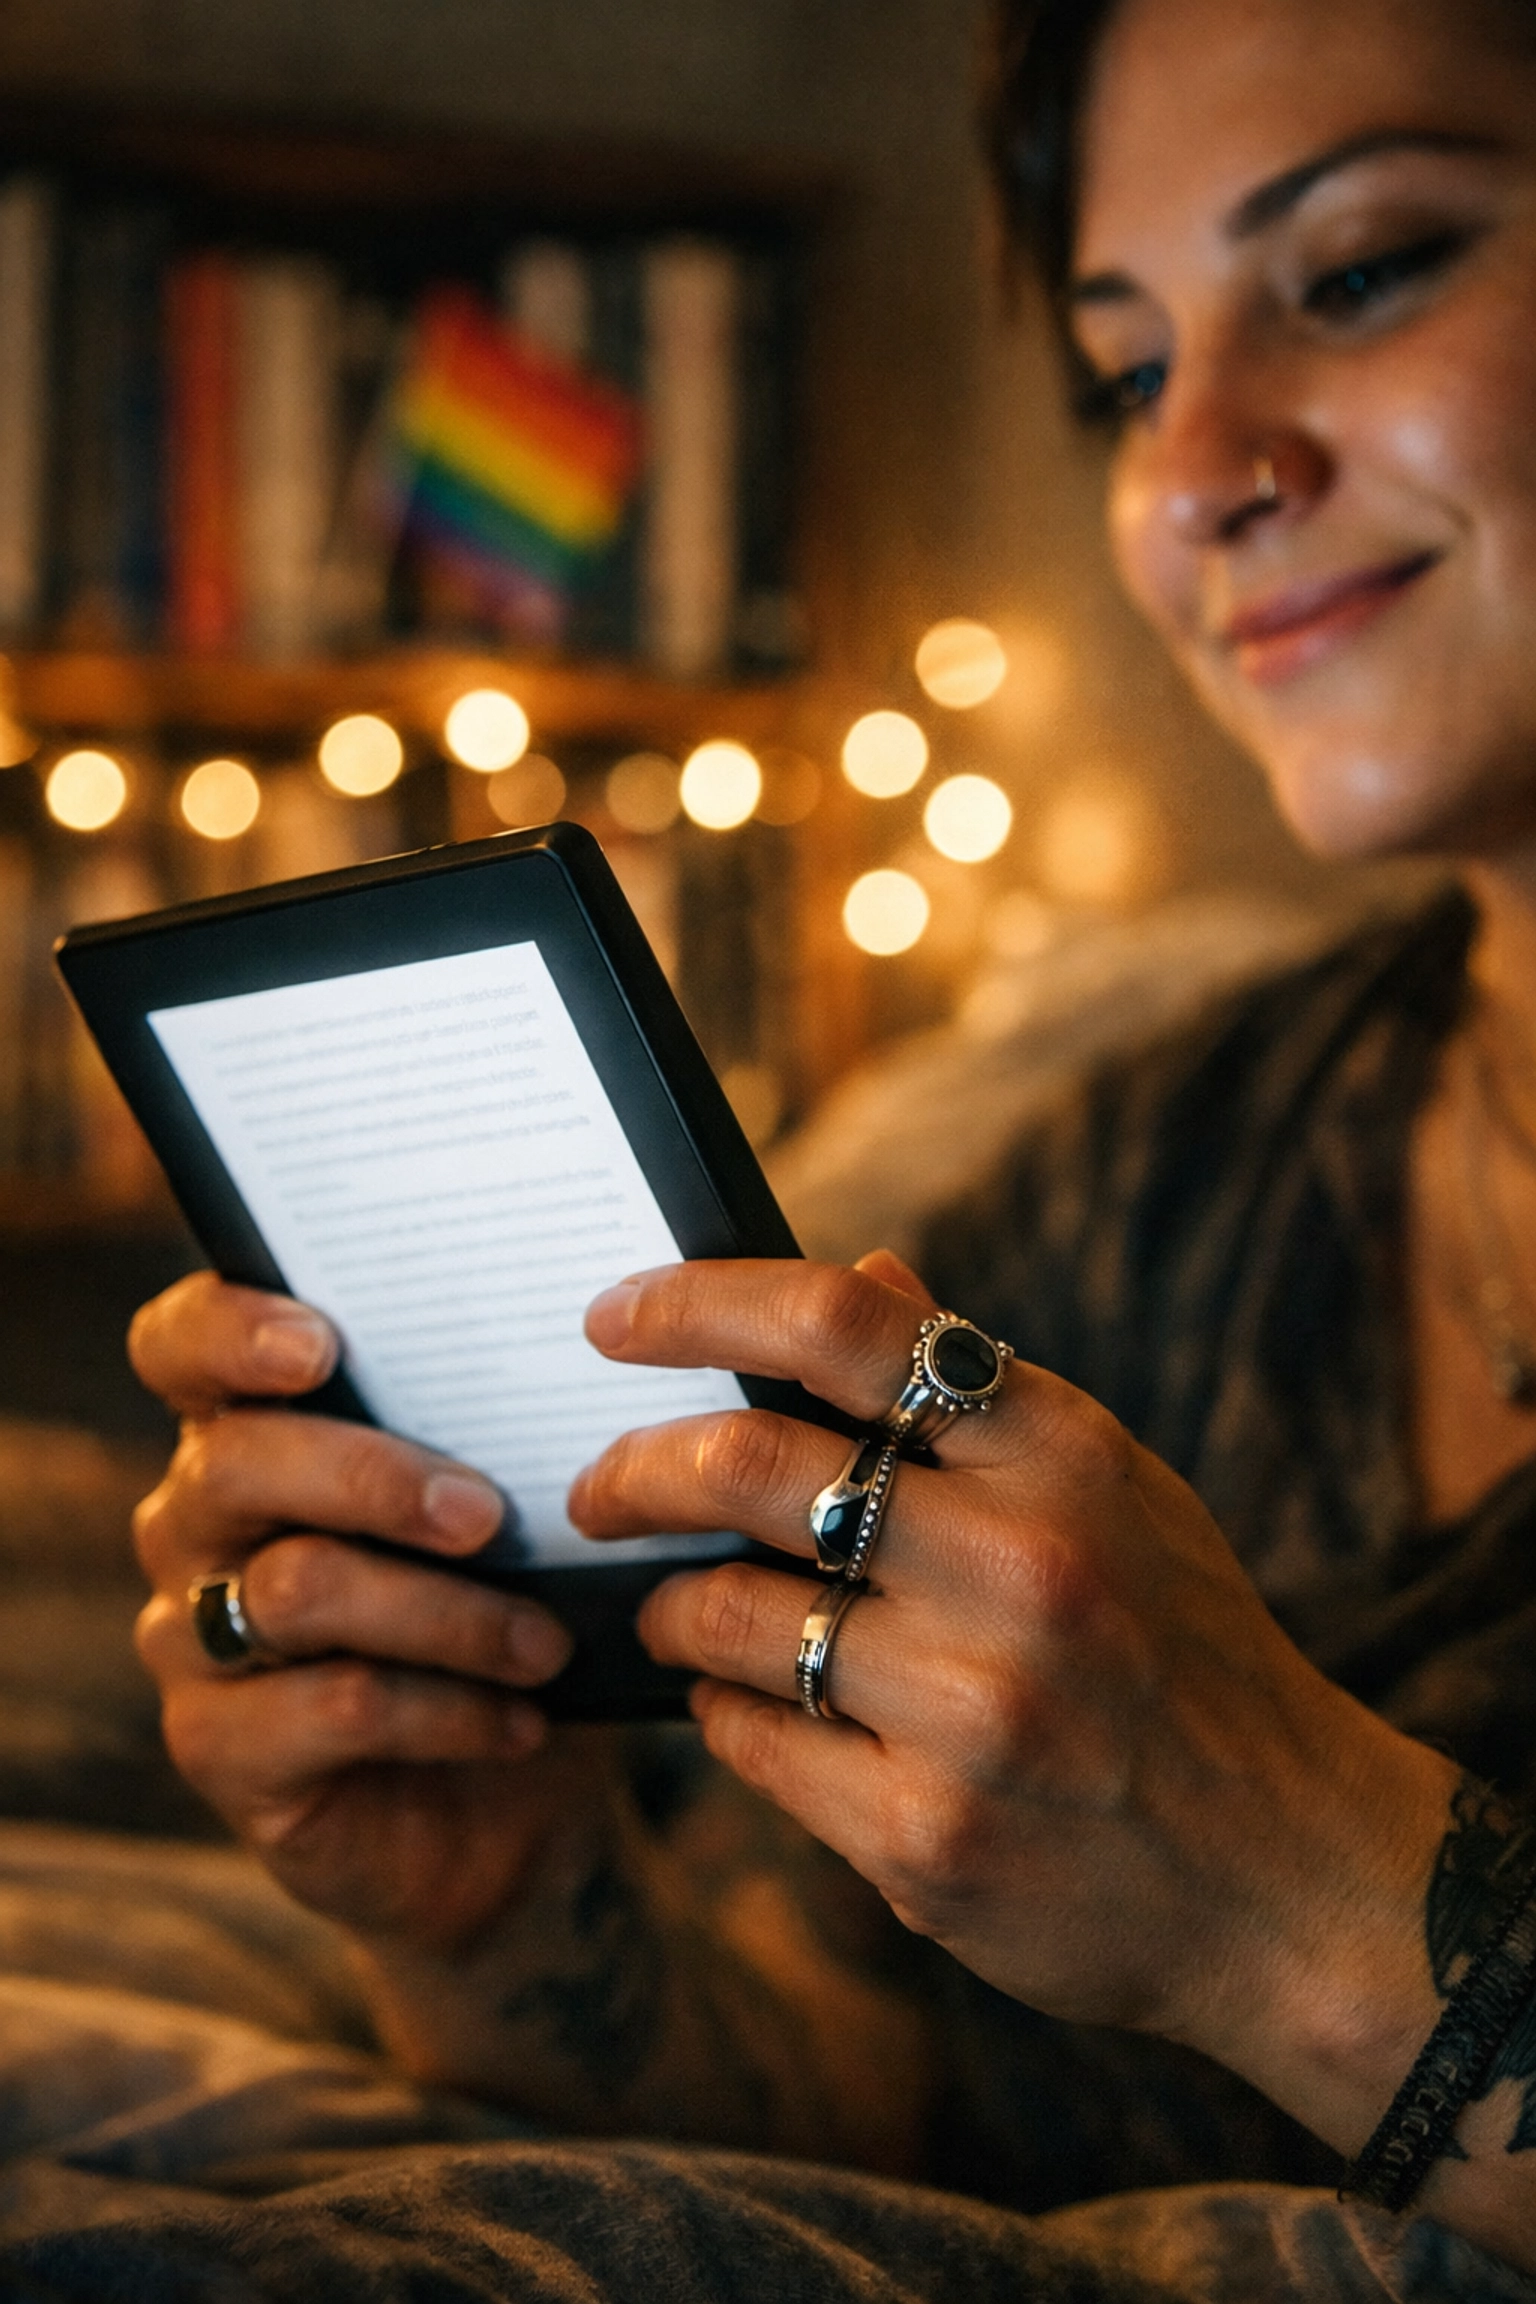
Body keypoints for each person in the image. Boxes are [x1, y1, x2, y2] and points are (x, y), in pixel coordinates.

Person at [63, 0, 1536, 2292]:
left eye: (1362, 271)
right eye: (1129, 372)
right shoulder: (1174, 1158)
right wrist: (504, 1916)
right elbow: (844, 2091)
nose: (1193, 471)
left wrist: (1288, 1882)